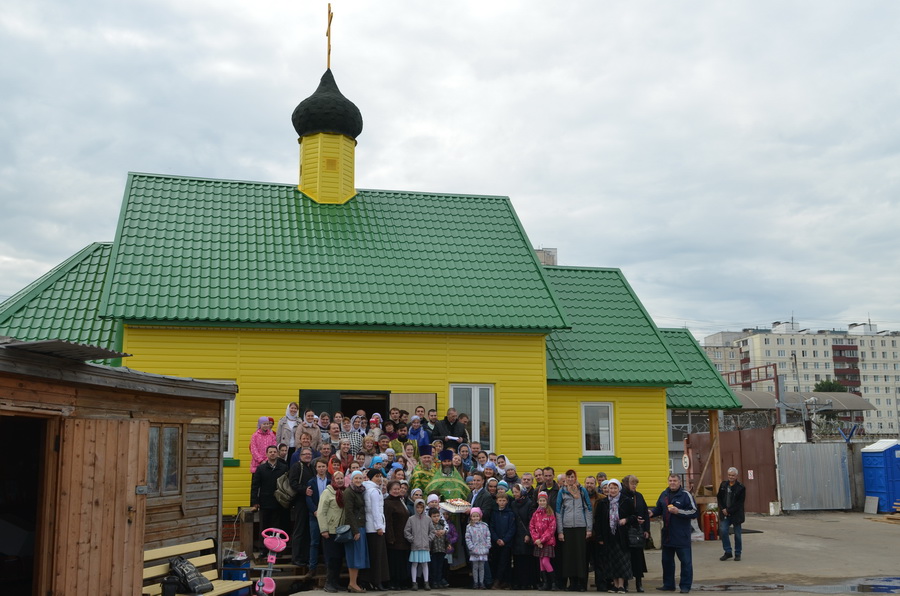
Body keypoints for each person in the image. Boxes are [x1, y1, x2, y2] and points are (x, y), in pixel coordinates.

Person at [649, 474, 698, 594]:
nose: (672, 483)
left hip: (681, 535)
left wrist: (678, 511)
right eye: (670, 480)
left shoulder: (686, 495)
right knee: (667, 562)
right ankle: (668, 584)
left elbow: (694, 512)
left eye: (674, 481)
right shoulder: (664, 494)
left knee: (686, 562)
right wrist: (651, 512)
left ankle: (685, 586)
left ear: (679, 482)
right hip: (667, 535)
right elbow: (659, 509)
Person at [593, 479, 635, 593]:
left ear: (619, 489)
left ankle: (621, 585)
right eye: (610, 488)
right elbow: (598, 521)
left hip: (622, 536)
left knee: (622, 561)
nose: (612, 490)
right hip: (608, 536)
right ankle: (615, 585)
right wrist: (600, 537)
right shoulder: (603, 503)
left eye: (615, 488)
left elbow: (634, 516)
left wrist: (625, 520)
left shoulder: (626, 501)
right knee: (611, 562)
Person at [556, 469, 592, 591]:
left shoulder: (582, 491)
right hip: (567, 528)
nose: (571, 479)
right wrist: (560, 531)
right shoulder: (562, 491)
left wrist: (589, 529)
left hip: (580, 527)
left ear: (576, 478)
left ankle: (581, 584)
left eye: (572, 477)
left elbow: (588, 509)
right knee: (569, 556)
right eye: (568, 477)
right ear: (565, 478)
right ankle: (572, 583)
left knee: (580, 556)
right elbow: (558, 511)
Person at [317, 470, 346, 593]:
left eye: (341, 478)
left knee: (339, 558)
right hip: (330, 530)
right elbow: (321, 512)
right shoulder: (327, 492)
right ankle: (329, 583)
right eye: (337, 478)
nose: (340, 480)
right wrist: (324, 529)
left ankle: (336, 582)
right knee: (331, 558)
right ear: (333, 480)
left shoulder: (344, 492)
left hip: (342, 531)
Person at [250, 445, 289, 535]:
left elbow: (287, 486)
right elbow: (255, 486)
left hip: (279, 502)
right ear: (267, 454)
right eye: (270, 452)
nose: (272, 454)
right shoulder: (261, 469)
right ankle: (263, 548)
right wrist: (255, 501)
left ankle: (275, 548)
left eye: (274, 452)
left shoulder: (283, 468)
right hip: (265, 502)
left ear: (277, 453)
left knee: (277, 527)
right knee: (264, 527)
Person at [362, 469, 389, 591]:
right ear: (371, 478)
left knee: (374, 556)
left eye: (380, 476)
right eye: (376, 476)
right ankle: (377, 581)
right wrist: (379, 527)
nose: (379, 479)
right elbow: (375, 511)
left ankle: (370, 581)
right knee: (377, 557)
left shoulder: (368, 489)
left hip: (370, 527)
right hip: (374, 528)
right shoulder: (373, 491)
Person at [288, 446, 315, 569]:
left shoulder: (312, 467)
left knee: (307, 531)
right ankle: (296, 557)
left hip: (310, 503)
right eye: (305, 454)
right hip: (300, 502)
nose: (308, 456)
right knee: (299, 530)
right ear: (300, 456)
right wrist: (304, 490)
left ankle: (305, 556)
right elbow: (292, 483)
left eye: (309, 454)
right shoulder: (297, 466)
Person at [621, 475, 650, 592]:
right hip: (625, 531)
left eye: (635, 484)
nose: (634, 486)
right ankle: (626, 583)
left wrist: (646, 529)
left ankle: (639, 583)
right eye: (632, 483)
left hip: (638, 532)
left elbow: (645, 513)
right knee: (626, 557)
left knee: (638, 558)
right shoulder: (622, 496)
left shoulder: (639, 496)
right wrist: (632, 519)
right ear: (626, 484)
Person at [343, 470, 369, 593]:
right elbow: (349, 512)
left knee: (358, 556)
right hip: (355, 528)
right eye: (356, 478)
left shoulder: (360, 491)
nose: (358, 480)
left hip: (361, 526)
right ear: (352, 479)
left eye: (360, 478)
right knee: (354, 556)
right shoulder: (349, 492)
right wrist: (355, 530)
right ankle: (352, 583)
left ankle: (354, 583)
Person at [305, 456, 331, 578]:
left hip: (327, 516)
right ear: (316, 468)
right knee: (314, 542)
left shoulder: (330, 481)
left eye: (323, 466)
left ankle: (329, 567)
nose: (321, 469)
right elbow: (308, 498)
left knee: (327, 542)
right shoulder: (311, 482)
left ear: (326, 468)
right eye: (319, 466)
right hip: (314, 515)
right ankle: (312, 568)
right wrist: (315, 511)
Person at [384, 480, 412, 590]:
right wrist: (390, 538)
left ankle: (401, 581)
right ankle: (393, 582)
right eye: (394, 489)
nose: (396, 491)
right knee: (394, 561)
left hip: (403, 536)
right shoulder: (387, 502)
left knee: (402, 561)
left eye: (398, 489)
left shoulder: (401, 500)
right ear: (389, 490)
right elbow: (388, 521)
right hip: (394, 537)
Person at [510, 483, 537, 590]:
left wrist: (528, 534)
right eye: (513, 492)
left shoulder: (529, 503)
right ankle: (518, 582)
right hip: (516, 535)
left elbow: (531, 520)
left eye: (516, 492)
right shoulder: (513, 504)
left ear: (522, 492)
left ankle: (526, 582)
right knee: (517, 560)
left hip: (525, 535)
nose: (514, 494)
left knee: (526, 560)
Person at [404, 498, 435, 590]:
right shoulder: (411, 519)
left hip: (425, 546)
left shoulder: (428, 519)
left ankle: (426, 582)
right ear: (415, 507)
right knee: (414, 564)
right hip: (415, 546)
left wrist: (428, 539)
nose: (419, 509)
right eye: (417, 507)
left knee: (425, 564)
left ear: (424, 508)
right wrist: (412, 540)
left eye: (421, 507)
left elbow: (432, 531)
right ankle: (414, 582)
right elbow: (406, 531)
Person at [717, 467, 746, 562]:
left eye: (733, 475)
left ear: (736, 476)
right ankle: (728, 551)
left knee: (737, 534)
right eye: (729, 475)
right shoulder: (723, 485)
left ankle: (738, 553)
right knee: (723, 531)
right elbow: (719, 498)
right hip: (725, 513)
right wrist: (723, 509)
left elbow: (739, 503)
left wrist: (729, 510)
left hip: (736, 515)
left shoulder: (741, 487)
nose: (731, 477)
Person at [530, 491, 557, 591]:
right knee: (541, 563)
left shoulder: (550, 513)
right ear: (537, 501)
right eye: (540, 500)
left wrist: (542, 540)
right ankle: (546, 583)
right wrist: (536, 539)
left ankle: (553, 582)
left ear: (547, 501)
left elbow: (551, 529)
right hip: (538, 542)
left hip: (547, 542)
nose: (542, 502)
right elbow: (532, 527)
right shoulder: (535, 514)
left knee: (546, 561)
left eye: (543, 500)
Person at [489, 490, 516, 589]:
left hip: (507, 543)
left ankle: (502, 581)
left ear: (507, 501)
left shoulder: (510, 513)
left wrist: (504, 540)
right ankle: (497, 579)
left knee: (504, 562)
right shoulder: (494, 513)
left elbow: (512, 528)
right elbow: (491, 527)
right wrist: (496, 539)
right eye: (500, 500)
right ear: (496, 501)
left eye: (504, 500)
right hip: (496, 542)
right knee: (496, 561)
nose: (502, 502)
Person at [466, 507, 491, 589]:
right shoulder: (469, 527)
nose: (475, 518)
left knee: (482, 567)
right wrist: (471, 547)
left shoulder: (484, 526)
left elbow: (488, 536)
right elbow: (468, 538)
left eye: (477, 516)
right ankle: (475, 582)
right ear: (471, 517)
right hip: (474, 549)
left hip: (483, 548)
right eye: (473, 516)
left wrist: (488, 545)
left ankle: (481, 582)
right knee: (475, 567)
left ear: (480, 516)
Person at [429, 506, 451, 589]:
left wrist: (448, 543)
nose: (436, 518)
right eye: (434, 516)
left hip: (441, 549)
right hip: (433, 549)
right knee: (433, 566)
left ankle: (439, 581)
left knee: (440, 566)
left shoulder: (442, 525)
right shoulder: (430, 526)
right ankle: (433, 581)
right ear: (430, 517)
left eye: (437, 516)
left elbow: (446, 536)